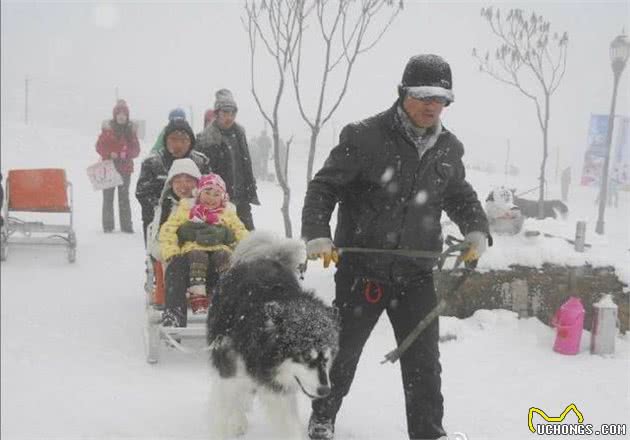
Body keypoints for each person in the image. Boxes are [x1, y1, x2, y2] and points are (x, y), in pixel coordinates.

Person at [301, 54, 490, 440]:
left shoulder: (449, 148)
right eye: (423, 95)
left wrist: (476, 229)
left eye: (440, 97)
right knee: (343, 353)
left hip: (416, 277)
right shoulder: (364, 136)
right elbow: (324, 187)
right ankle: (323, 416)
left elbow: (459, 194)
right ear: (403, 93)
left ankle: (428, 432)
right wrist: (318, 232)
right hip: (362, 274)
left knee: (424, 363)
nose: (431, 105)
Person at [159, 173, 248, 327]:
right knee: (176, 268)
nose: (210, 198)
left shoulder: (228, 213)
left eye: (216, 194)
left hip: (219, 262)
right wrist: (172, 251)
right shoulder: (186, 209)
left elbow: (242, 235)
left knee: (230, 266)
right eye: (207, 192)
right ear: (199, 193)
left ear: (223, 197)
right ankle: (174, 317)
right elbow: (168, 231)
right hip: (190, 259)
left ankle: (233, 312)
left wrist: (229, 237)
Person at [136, 118, 210, 243]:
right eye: (173, 139)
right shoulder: (152, 163)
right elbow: (142, 193)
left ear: (191, 142)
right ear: (166, 140)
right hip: (159, 223)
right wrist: (165, 208)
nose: (178, 145)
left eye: (184, 140)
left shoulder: (201, 162)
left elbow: (209, 189)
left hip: (195, 223)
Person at [196, 88, 259, 230]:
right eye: (225, 112)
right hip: (217, 201)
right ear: (217, 113)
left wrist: (250, 187)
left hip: (241, 198)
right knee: (224, 242)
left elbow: (245, 164)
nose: (229, 117)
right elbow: (202, 175)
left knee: (249, 240)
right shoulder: (205, 139)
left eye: (233, 113)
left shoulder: (239, 134)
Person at [95, 99, 140, 233]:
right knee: (108, 197)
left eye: (124, 114)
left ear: (127, 116)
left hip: (125, 169)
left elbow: (136, 150)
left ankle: (126, 226)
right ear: (115, 115)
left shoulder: (130, 131)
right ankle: (108, 226)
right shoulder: (107, 130)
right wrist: (110, 154)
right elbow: (99, 147)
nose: (121, 116)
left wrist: (125, 155)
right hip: (108, 168)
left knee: (124, 198)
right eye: (119, 113)